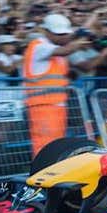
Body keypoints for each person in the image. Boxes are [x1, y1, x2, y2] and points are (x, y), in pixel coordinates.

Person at [22, 13, 89, 155]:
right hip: (42, 107)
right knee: (44, 147)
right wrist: (81, 40)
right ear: (46, 31)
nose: (62, 37)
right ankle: (41, 175)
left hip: (57, 105)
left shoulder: (52, 48)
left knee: (56, 147)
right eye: (59, 34)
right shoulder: (39, 46)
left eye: (65, 34)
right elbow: (66, 50)